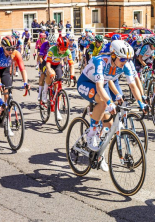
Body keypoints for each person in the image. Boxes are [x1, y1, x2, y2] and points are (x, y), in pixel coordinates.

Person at [76, 40, 134, 171]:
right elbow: (99, 86)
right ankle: (91, 135)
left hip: (101, 86)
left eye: (128, 59)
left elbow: (115, 81)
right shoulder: (100, 61)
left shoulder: (119, 65)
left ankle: (98, 155)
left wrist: (138, 102)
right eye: (123, 59)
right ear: (113, 55)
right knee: (102, 102)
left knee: (108, 125)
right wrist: (109, 103)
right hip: (85, 83)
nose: (125, 62)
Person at [0, 36, 30, 104]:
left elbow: (22, 69)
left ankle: (6, 111)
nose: (11, 51)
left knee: (8, 96)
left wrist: (25, 82)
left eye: (12, 48)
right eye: (8, 49)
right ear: (3, 47)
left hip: (5, 70)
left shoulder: (16, 53)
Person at [41, 37, 74, 112]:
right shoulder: (51, 50)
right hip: (47, 64)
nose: (64, 51)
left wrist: (72, 75)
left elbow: (71, 64)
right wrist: (50, 72)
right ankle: (44, 92)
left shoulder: (67, 52)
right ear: (58, 46)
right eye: (62, 49)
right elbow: (48, 65)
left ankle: (57, 109)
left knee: (59, 85)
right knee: (50, 74)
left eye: (65, 49)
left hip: (57, 64)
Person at [38, 34, 57, 101]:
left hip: (53, 62)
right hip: (44, 61)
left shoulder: (56, 47)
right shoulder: (44, 45)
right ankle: (40, 93)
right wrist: (42, 66)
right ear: (48, 42)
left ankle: (54, 92)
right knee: (43, 75)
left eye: (53, 43)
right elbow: (40, 57)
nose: (52, 44)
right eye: (50, 43)